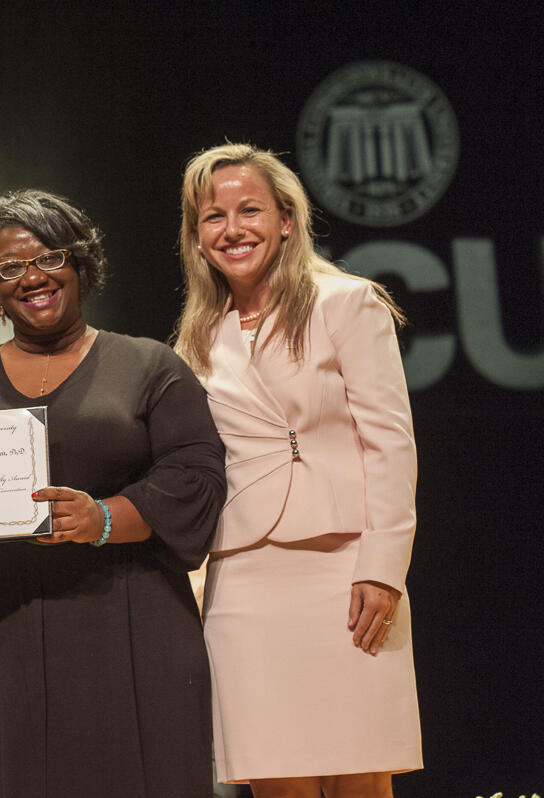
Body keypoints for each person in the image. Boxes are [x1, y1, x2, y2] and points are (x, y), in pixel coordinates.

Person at [0, 189, 227, 797]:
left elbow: (197, 475)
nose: (33, 277)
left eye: (51, 258)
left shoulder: (147, 367)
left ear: (80, 265)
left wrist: (105, 517)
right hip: (2, 636)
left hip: (131, 621)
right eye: (10, 267)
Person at [173, 142, 422, 798]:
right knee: (276, 777)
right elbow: (202, 468)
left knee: (359, 769)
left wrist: (383, 567)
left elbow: (390, 445)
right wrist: (195, 584)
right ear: (196, 237)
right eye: (212, 217)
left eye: (249, 210)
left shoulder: (346, 303)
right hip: (243, 577)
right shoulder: (197, 335)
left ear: (287, 219)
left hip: (345, 568)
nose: (232, 229)